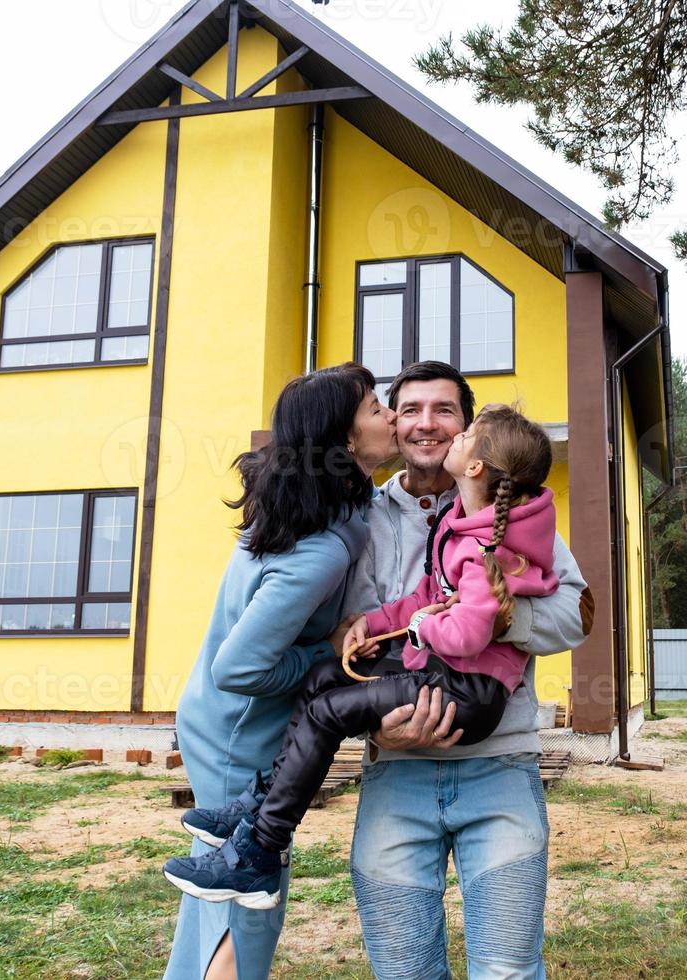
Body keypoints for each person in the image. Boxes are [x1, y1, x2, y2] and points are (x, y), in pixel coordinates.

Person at [163, 404, 561, 909]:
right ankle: (259, 803)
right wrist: (367, 625)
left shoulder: (492, 546)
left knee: (328, 712)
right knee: (325, 674)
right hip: (440, 675)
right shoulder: (461, 522)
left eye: (463, 430)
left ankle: (261, 849)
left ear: (478, 466)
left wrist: (418, 627)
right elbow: (426, 597)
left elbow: (464, 633)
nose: (443, 431)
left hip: (468, 693)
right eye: (400, 406)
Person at [342, 362, 591, 980]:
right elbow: (343, 634)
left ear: (465, 436)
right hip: (394, 773)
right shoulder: (359, 519)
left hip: (501, 767)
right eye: (410, 409)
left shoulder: (513, 511)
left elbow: (577, 611)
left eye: (445, 410)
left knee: (507, 971)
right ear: (393, 423)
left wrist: (484, 613)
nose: (426, 423)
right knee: (403, 972)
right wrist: (375, 730)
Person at [162, 362, 393, 980]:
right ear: (344, 441)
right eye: (376, 407)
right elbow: (238, 667)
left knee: (232, 886)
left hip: (233, 721)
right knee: (248, 899)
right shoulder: (318, 549)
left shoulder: (332, 507)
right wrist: (333, 655)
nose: (393, 415)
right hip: (236, 733)